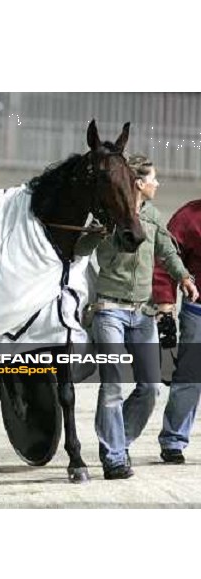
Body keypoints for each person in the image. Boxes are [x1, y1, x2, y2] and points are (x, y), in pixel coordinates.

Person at [76, 154, 198, 480]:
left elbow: (168, 252)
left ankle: (118, 441)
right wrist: (97, 232)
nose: (158, 184)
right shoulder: (109, 215)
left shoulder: (155, 216)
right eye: (153, 179)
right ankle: (114, 457)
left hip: (143, 313)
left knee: (150, 387)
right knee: (114, 383)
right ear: (139, 184)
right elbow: (81, 248)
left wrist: (184, 277)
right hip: (109, 310)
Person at [153, 198, 201, 464]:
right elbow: (165, 260)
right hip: (198, 313)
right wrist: (165, 302)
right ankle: (173, 441)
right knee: (190, 380)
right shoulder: (190, 216)